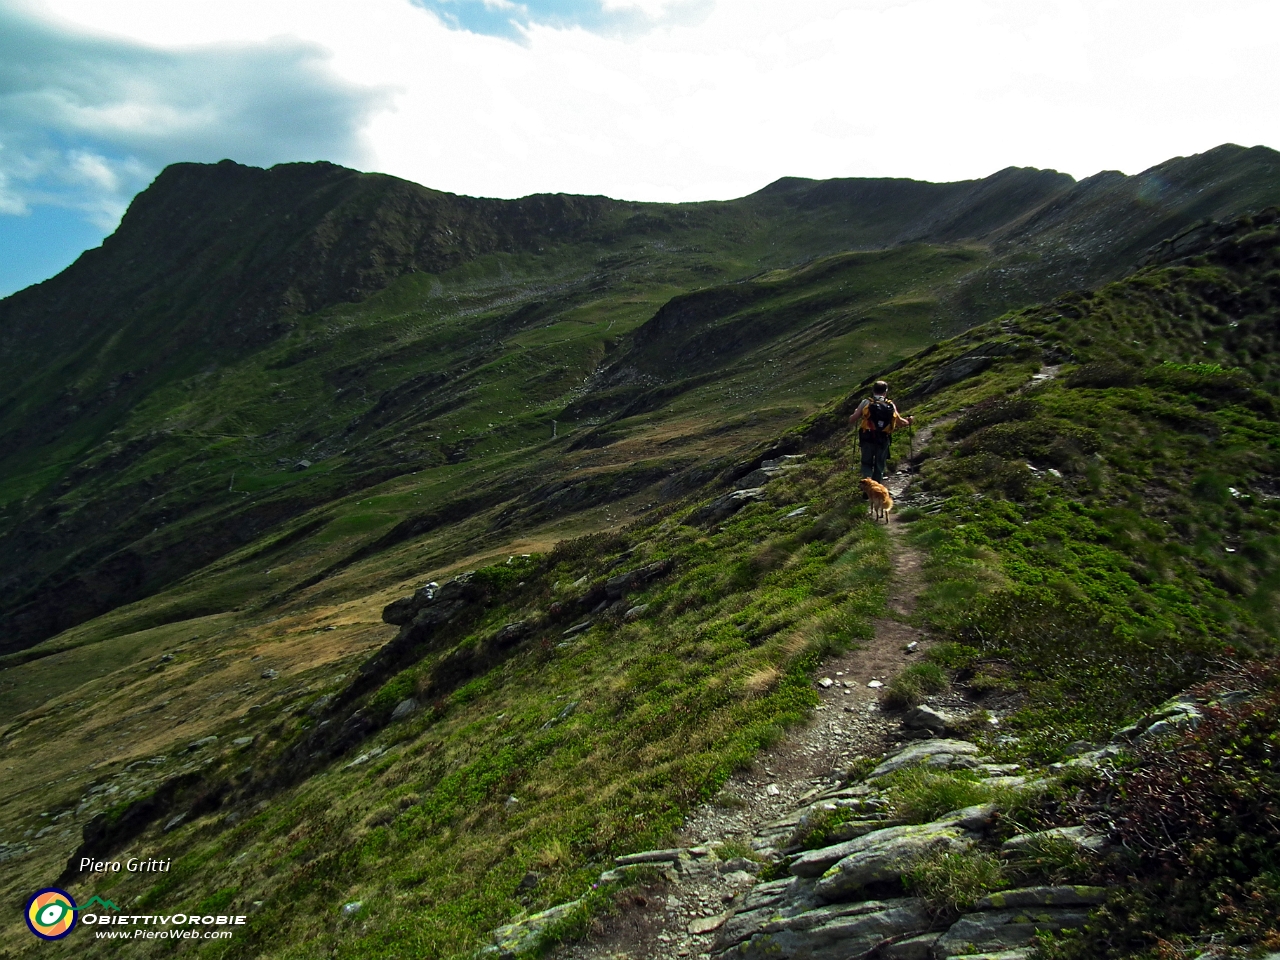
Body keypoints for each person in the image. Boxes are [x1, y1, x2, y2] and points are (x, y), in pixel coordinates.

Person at [849, 380, 913, 483]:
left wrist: (855, 413)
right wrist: (909, 421)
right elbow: (900, 422)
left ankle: (868, 484)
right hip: (883, 438)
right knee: (879, 464)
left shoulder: (866, 402)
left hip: (867, 436)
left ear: (873, 390)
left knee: (866, 463)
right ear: (885, 392)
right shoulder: (890, 404)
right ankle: (876, 487)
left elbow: (852, 420)